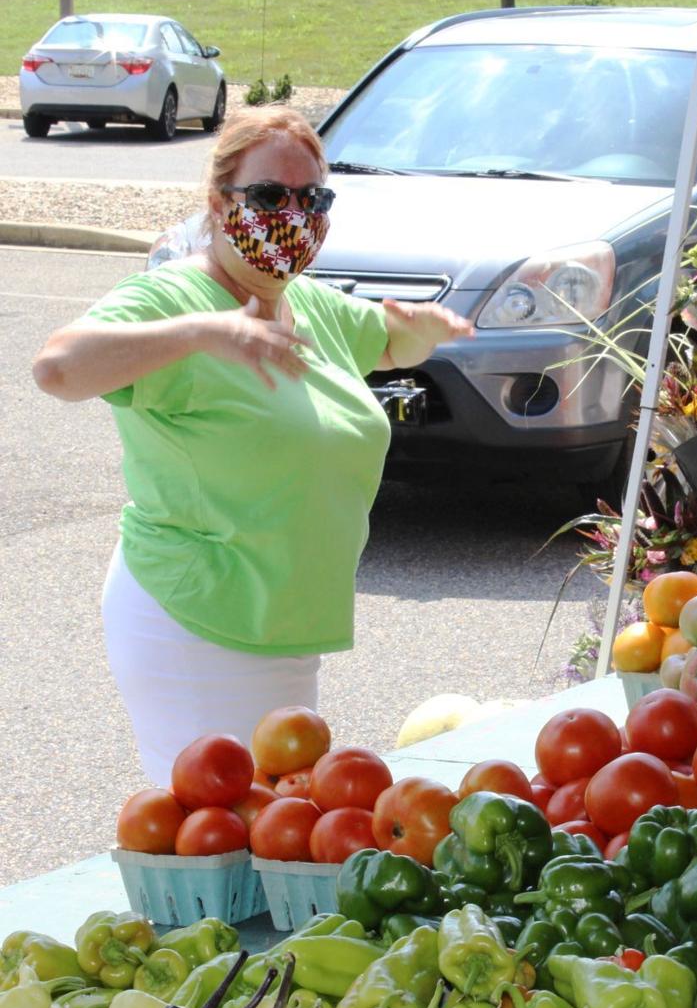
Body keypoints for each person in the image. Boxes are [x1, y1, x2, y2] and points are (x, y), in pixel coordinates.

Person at [31, 106, 473, 785]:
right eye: (269, 196)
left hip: (282, 623)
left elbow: (385, 342)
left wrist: (423, 330)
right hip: (194, 619)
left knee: (279, 830)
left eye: (312, 198)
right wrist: (205, 332)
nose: (293, 216)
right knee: (221, 835)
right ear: (218, 202)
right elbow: (56, 368)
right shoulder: (172, 296)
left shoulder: (306, 304)